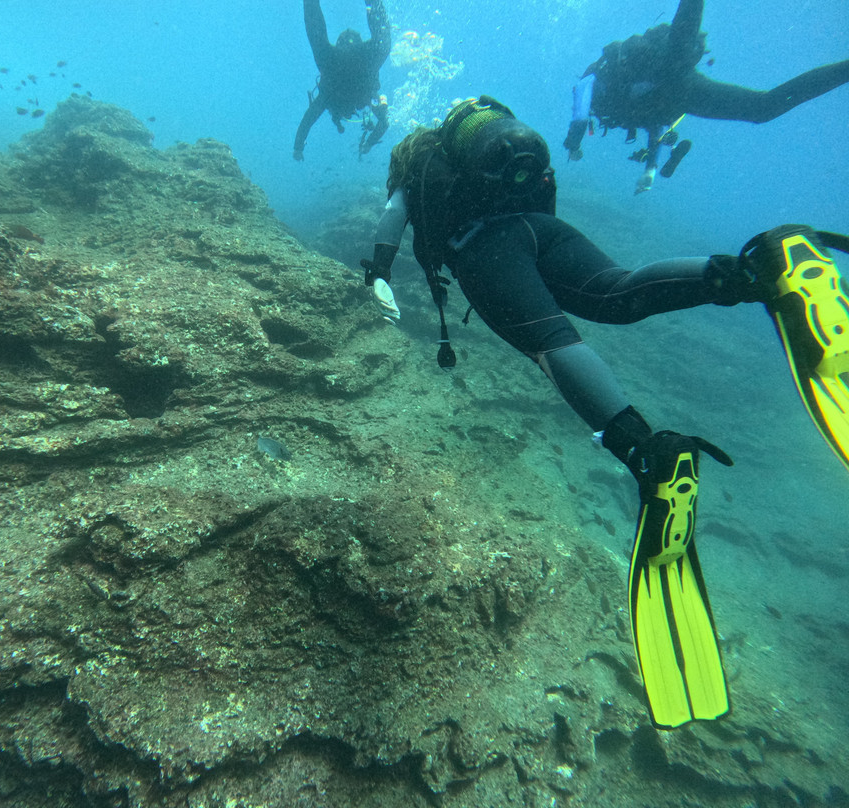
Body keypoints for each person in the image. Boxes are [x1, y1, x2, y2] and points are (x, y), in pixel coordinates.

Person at [359, 95, 849, 729]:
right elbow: (550, 206)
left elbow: (393, 218)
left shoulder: (419, 164)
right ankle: (756, 270)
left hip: (484, 250)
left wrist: (376, 271)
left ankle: (646, 452)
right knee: (618, 291)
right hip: (541, 230)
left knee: (551, 343)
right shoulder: (501, 157)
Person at [564, 0, 849, 193]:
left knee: (681, 45)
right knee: (762, 108)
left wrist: (573, 144)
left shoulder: (593, 78)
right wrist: (650, 170)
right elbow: (653, 122)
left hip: (667, 74)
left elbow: (580, 109)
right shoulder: (616, 102)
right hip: (681, 92)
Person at [294, 0, 391, 161]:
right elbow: (308, 119)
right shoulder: (366, 96)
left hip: (346, 66)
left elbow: (309, 118)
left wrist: (298, 147)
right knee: (315, 33)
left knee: (384, 44)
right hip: (347, 65)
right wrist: (368, 143)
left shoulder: (327, 97)